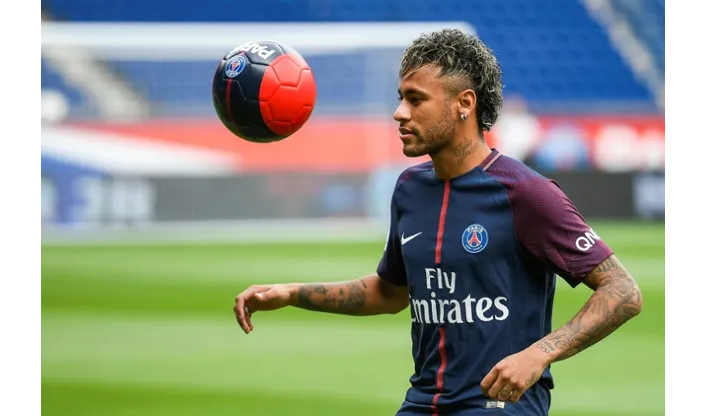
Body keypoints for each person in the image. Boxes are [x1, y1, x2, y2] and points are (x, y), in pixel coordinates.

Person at [233, 29, 643, 415]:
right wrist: (292, 293)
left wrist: (540, 353)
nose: (399, 113)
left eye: (416, 100)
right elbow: (391, 292)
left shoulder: (526, 192)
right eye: (401, 98)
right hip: (423, 402)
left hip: (498, 405)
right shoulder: (409, 189)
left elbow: (622, 290)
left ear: (464, 103)